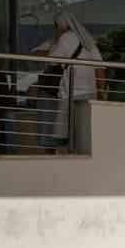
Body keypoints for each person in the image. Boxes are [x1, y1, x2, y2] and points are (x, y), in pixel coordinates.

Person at [23, 12, 100, 148]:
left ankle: (66, 152)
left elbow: (51, 61)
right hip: (89, 91)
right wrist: (101, 90)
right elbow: (100, 67)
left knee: (64, 131)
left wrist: (55, 43)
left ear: (60, 25)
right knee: (84, 130)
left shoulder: (64, 38)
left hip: (71, 91)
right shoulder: (88, 41)